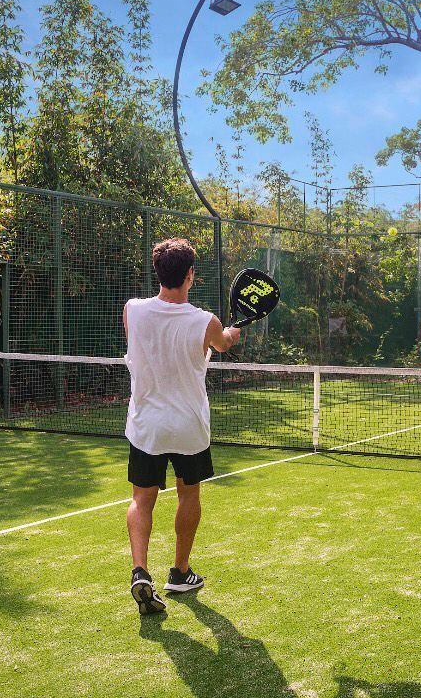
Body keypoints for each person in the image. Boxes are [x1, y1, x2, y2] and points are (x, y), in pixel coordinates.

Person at [123, 238, 240, 615]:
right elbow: (223, 343)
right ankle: (180, 571)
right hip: (189, 427)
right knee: (189, 495)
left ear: (158, 272)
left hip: (147, 428)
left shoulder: (132, 311)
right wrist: (231, 335)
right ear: (190, 275)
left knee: (141, 500)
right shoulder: (207, 322)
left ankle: (140, 570)